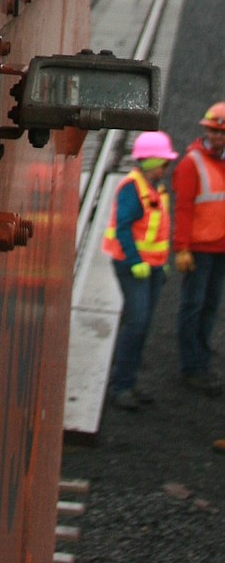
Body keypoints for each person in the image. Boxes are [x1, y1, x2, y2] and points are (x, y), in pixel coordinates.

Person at [102, 130, 176, 411]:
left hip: (153, 267)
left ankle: (129, 381)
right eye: (163, 162)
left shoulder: (154, 186)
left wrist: (161, 262)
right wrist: (134, 261)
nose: (165, 167)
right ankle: (121, 386)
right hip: (134, 267)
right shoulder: (133, 189)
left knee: (141, 324)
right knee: (136, 323)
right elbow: (123, 229)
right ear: (149, 162)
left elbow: (157, 231)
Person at [172, 101, 225, 396]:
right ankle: (191, 367)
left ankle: (202, 355)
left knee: (210, 305)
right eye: (213, 132)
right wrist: (182, 248)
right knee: (193, 306)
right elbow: (182, 209)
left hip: (221, 249)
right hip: (200, 250)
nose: (217, 138)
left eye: (222, 133)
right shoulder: (191, 164)